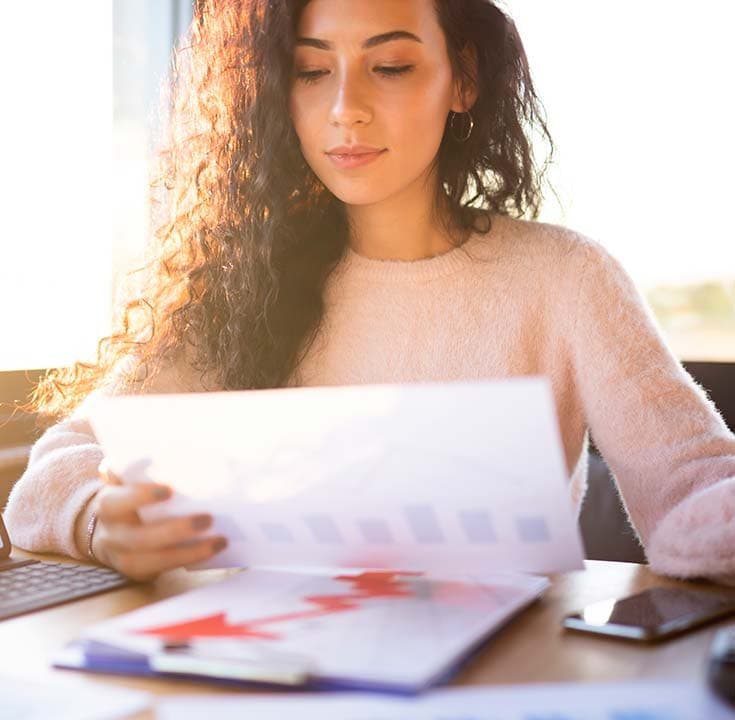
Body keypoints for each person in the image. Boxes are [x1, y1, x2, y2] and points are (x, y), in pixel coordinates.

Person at [6, 0, 735, 582]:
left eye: (388, 65)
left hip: (504, 678)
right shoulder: (240, 287)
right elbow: (50, 476)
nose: (344, 108)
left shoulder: (566, 277)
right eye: (310, 71)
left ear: (464, 78)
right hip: (263, 676)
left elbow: (693, 488)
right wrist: (102, 518)